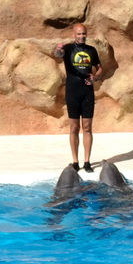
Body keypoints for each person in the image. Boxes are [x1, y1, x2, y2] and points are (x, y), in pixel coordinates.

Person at [54, 23, 103, 172]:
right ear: (74, 35)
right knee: (74, 127)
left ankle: (87, 162)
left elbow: (100, 68)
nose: (82, 36)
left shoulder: (91, 50)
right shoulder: (68, 49)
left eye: (84, 34)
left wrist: (95, 77)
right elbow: (58, 55)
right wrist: (58, 49)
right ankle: (75, 162)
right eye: (79, 34)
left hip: (87, 91)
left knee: (87, 127)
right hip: (73, 91)